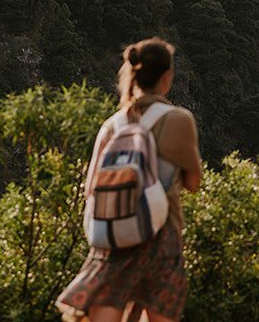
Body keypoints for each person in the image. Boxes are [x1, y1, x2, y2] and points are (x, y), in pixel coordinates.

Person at [58, 38, 203, 322]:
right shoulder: (179, 120)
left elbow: (91, 188)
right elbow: (193, 183)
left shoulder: (112, 125)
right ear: (167, 78)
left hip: (114, 238)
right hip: (162, 237)